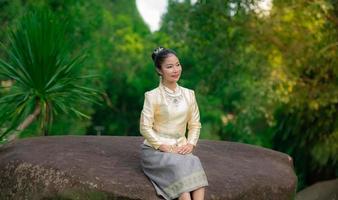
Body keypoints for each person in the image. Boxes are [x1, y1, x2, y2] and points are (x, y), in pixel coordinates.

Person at [139, 47, 208, 200]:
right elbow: (144, 127)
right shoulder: (152, 96)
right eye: (169, 67)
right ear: (159, 70)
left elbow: (195, 124)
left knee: (194, 162)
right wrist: (162, 146)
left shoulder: (189, 94)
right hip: (157, 151)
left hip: (182, 148)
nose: (175, 70)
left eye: (177, 65)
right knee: (182, 185)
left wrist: (190, 144)